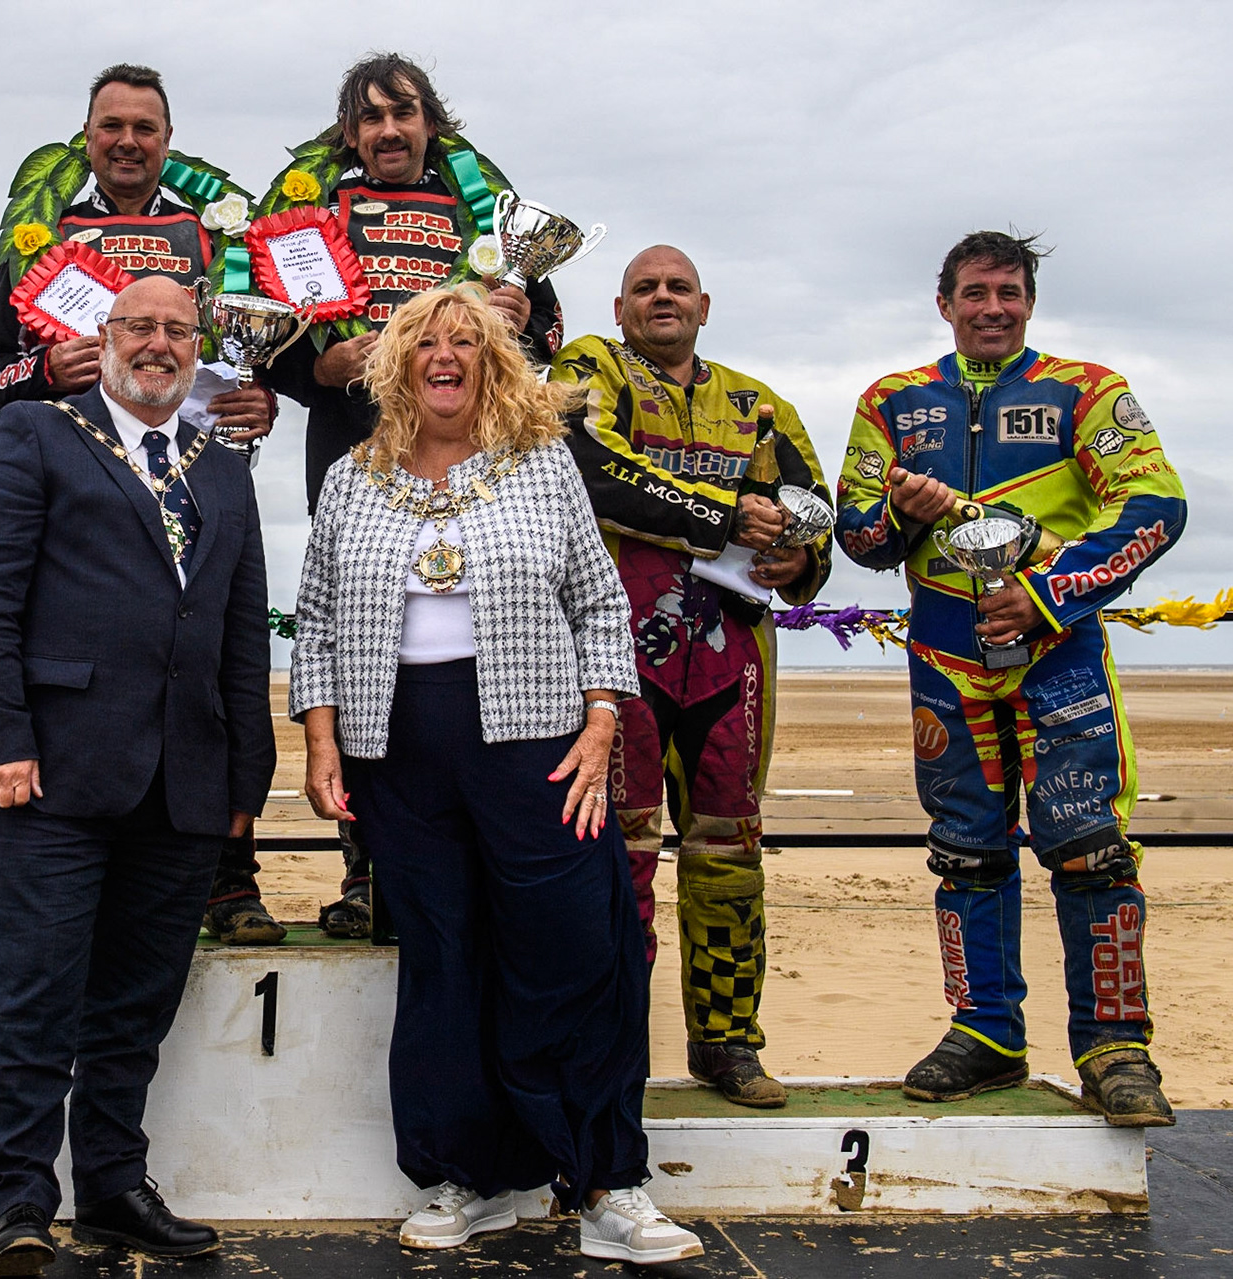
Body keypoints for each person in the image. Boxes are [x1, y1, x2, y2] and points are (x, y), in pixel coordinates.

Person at [290, 284, 702, 1266]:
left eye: (466, 341)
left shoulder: (542, 465)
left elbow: (602, 608)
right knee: (442, 957)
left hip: (538, 744)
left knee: (574, 950)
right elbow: (317, 622)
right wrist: (320, 741)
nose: (445, 354)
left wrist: (603, 723)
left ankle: (608, 1181)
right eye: (425, 341)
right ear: (397, 364)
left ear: (492, 363)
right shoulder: (353, 481)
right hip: (400, 751)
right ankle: (467, 1175)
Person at [0, 276, 275, 1275]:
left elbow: (242, 628)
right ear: (106, 337)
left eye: (177, 330)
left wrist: (248, 767)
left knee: (136, 1001)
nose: (158, 344)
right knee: (34, 991)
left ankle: (114, 1185)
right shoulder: (37, 434)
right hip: (55, 772)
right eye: (140, 326)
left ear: (197, 349)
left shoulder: (223, 465)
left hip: (187, 781)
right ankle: (21, 1199)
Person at [836, 231, 1186, 1124]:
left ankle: (1116, 1048)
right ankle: (986, 1031)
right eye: (975, 293)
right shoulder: (892, 400)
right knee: (964, 850)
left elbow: (1157, 506)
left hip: (1056, 648)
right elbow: (858, 536)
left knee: (1089, 847)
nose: (993, 308)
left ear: (1029, 302)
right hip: (944, 654)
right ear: (943, 302)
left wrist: (1048, 594)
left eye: (1009, 292)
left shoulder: (1087, 390)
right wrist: (900, 519)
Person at [260, 52, 566, 938]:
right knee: (367, 650)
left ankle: (478, 845)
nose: (389, 131)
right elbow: (267, 340)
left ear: (433, 123)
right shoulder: (315, 219)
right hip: (357, 455)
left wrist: (519, 317)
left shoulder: (484, 219)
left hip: (479, 458)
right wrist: (319, 365)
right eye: (370, 117)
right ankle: (369, 870)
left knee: (471, 640)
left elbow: (548, 325)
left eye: (405, 113)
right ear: (348, 134)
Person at [0, 62, 283, 947]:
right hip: (89, 476)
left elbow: (263, 362)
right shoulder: (47, 238)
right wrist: (46, 370)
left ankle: (232, 879)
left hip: (203, 472)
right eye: (110, 126)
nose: (126, 142)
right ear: (87, 138)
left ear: (167, 141)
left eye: (144, 128)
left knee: (216, 653)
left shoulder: (215, 238)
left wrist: (261, 401)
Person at [548, 246, 832, 1109]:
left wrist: (798, 557)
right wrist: (718, 514)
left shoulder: (758, 403)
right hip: (613, 654)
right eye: (646, 288)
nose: (662, 298)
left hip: (730, 658)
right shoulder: (588, 367)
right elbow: (587, 468)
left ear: (705, 306)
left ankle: (728, 1044)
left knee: (729, 852)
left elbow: (815, 503)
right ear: (619, 304)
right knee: (616, 855)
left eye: (677, 288)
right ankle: (614, 1040)